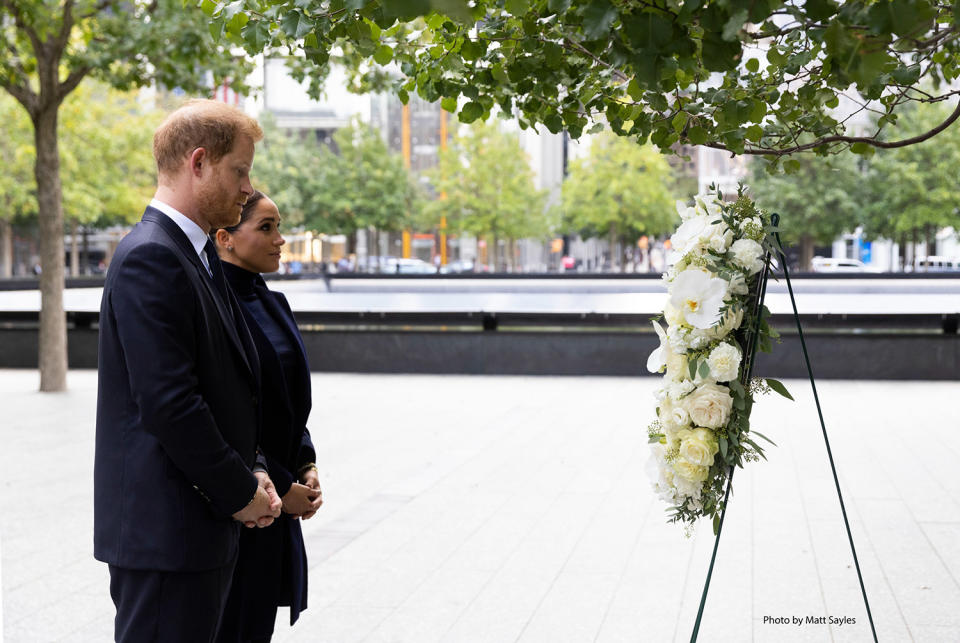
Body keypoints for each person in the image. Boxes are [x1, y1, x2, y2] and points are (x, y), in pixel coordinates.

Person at [94, 99, 283, 642]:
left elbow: (230, 385)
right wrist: (240, 491)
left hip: (196, 530)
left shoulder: (194, 253)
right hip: (167, 536)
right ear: (198, 162)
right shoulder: (151, 256)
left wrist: (257, 470)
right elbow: (170, 403)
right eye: (239, 171)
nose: (248, 187)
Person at [212, 191, 323, 642]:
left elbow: (289, 399)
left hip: (281, 494)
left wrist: (306, 463)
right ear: (226, 239)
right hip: (244, 498)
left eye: (279, 226)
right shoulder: (214, 306)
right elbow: (227, 410)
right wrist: (280, 485)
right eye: (265, 227)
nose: (280, 239)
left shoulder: (273, 301)